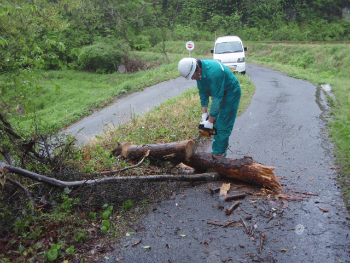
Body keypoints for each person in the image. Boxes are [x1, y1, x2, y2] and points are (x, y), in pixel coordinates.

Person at [178, 57, 241, 156]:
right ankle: (218, 153)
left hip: (231, 93)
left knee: (222, 127)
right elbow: (203, 93)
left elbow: (216, 100)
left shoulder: (214, 72)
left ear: (198, 68)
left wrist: (210, 121)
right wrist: (205, 115)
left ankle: (218, 157)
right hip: (220, 94)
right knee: (217, 122)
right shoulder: (200, 74)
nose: (192, 78)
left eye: (192, 76)